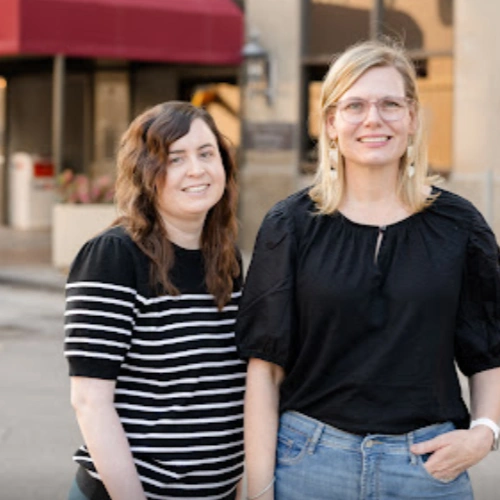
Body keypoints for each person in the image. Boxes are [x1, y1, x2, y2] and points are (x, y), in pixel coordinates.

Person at [236, 39, 500, 500]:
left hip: (427, 468)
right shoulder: (290, 225)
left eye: (390, 104)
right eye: (354, 105)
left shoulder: (460, 226)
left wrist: (485, 433)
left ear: (412, 118)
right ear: (331, 124)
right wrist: (257, 492)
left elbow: (490, 349)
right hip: (309, 464)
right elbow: (264, 369)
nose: (373, 119)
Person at [64, 101, 245, 500]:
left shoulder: (227, 259)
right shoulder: (112, 257)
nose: (196, 169)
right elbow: (90, 402)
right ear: (146, 172)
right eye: (175, 158)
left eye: (206, 153)